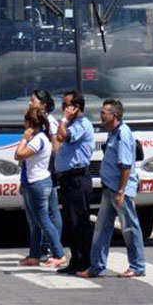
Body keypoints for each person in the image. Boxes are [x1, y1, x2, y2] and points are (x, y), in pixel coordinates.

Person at [80, 99, 145, 278]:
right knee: (101, 228)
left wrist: (121, 191)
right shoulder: (113, 133)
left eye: (104, 113)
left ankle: (137, 266)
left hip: (119, 190)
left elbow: (125, 166)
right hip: (110, 188)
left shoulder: (123, 134)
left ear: (114, 115)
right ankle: (97, 266)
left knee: (130, 227)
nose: (100, 116)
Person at [15, 101, 66, 268]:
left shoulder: (39, 140)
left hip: (39, 183)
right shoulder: (38, 138)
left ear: (30, 124)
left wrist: (24, 138)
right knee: (34, 222)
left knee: (43, 220)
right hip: (32, 182)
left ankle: (59, 254)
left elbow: (19, 155)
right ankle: (34, 255)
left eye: (25, 122)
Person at [54, 91, 95, 275]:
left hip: (78, 177)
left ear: (75, 108)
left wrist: (63, 119)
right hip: (68, 178)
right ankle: (75, 259)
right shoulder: (72, 124)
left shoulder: (82, 124)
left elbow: (62, 137)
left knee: (80, 221)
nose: (63, 109)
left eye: (66, 105)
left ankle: (84, 260)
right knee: (71, 221)